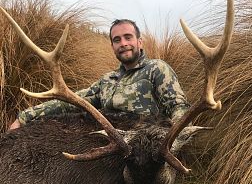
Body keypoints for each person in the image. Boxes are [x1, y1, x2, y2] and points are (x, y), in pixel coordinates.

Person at [9, 19, 190, 130]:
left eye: (128, 37)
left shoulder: (157, 69)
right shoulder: (107, 81)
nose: (123, 43)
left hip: (145, 151)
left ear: (139, 42)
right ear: (112, 47)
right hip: (109, 148)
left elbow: (178, 108)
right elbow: (71, 101)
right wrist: (25, 117)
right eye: (117, 40)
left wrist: (172, 141)